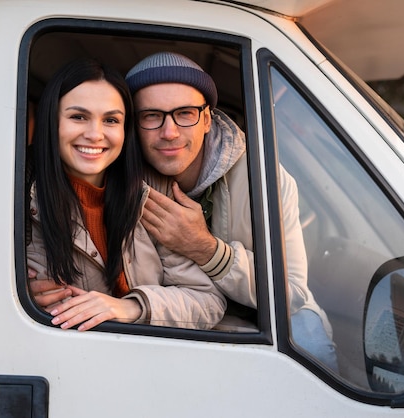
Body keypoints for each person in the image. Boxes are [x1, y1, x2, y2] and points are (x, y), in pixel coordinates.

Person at [125, 52, 338, 370]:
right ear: (133, 124)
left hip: (263, 319)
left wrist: (204, 248)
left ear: (208, 119)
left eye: (185, 113)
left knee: (311, 349)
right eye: (151, 116)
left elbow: (291, 294)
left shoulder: (264, 177)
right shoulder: (121, 179)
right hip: (173, 314)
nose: (169, 131)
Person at [26, 58, 226, 331]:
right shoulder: (16, 197)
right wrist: (16, 292)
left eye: (110, 120)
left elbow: (207, 301)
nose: (95, 134)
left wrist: (132, 307)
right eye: (78, 117)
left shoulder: (152, 192)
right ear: (52, 121)